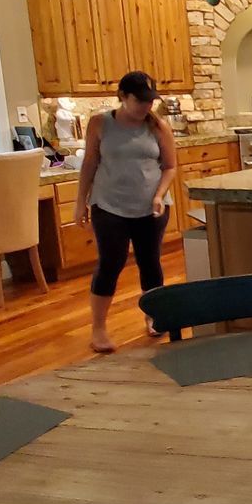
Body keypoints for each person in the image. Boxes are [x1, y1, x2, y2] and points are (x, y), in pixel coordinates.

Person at [76, 71, 179, 352]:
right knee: (110, 263)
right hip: (109, 206)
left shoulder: (158, 127)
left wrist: (159, 195)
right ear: (122, 96)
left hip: (151, 207)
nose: (147, 106)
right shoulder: (100, 124)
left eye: (150, 100)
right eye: (140, 100)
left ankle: (154, 316)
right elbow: (89, 163)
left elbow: (170, 166)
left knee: (150, 262)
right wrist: (80, 201)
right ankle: (98, 329)